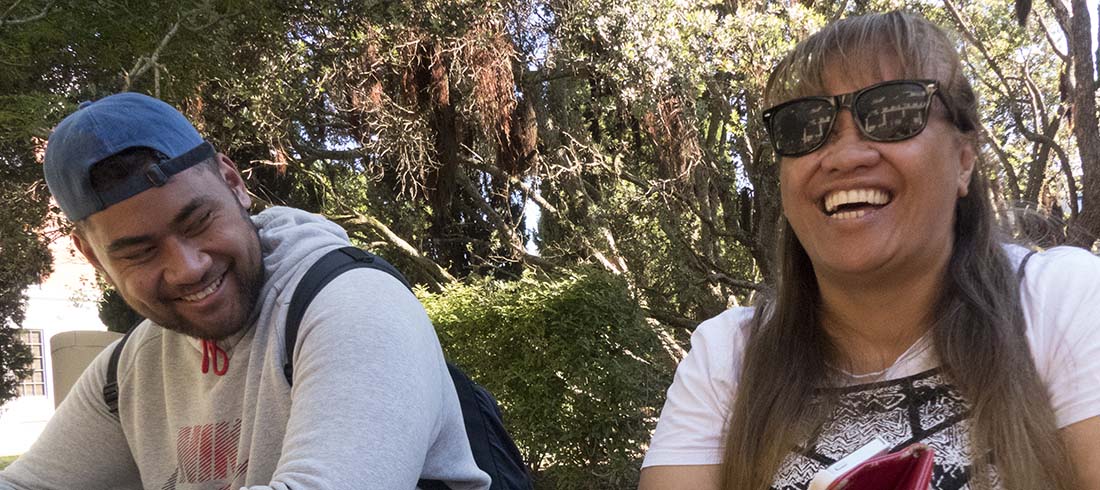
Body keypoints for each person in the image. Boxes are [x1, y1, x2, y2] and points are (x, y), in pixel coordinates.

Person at [638, 11, 1100, 490]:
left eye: (892, 113)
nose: (844, 156)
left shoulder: (1061, 302)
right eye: (803, 125)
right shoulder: (727, 358)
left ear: (964, 161)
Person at [0, 93, 491, 489]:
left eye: (198, 221)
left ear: (233, 183)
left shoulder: (353, 302)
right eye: (140, 252)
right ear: (92, 257)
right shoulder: (127, 370)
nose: (188, 268)